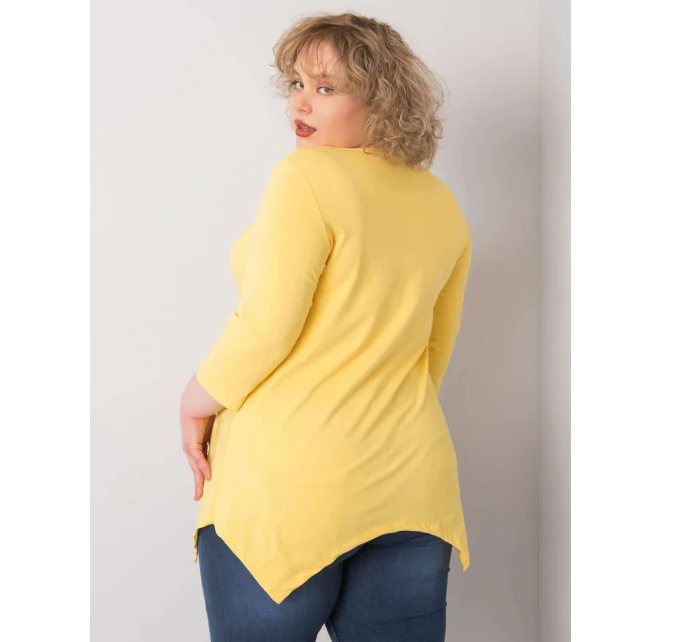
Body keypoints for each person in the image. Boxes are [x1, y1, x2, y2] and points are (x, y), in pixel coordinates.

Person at [180, 11, 473, 641]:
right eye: (295, 83)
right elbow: (433, 352)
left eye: (326, 87)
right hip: (410, 483)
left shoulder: (305, 178)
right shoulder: (441, 202)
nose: (300, 103)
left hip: (289, 487)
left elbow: (267, 325)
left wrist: (195, 400)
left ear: (383, 98)